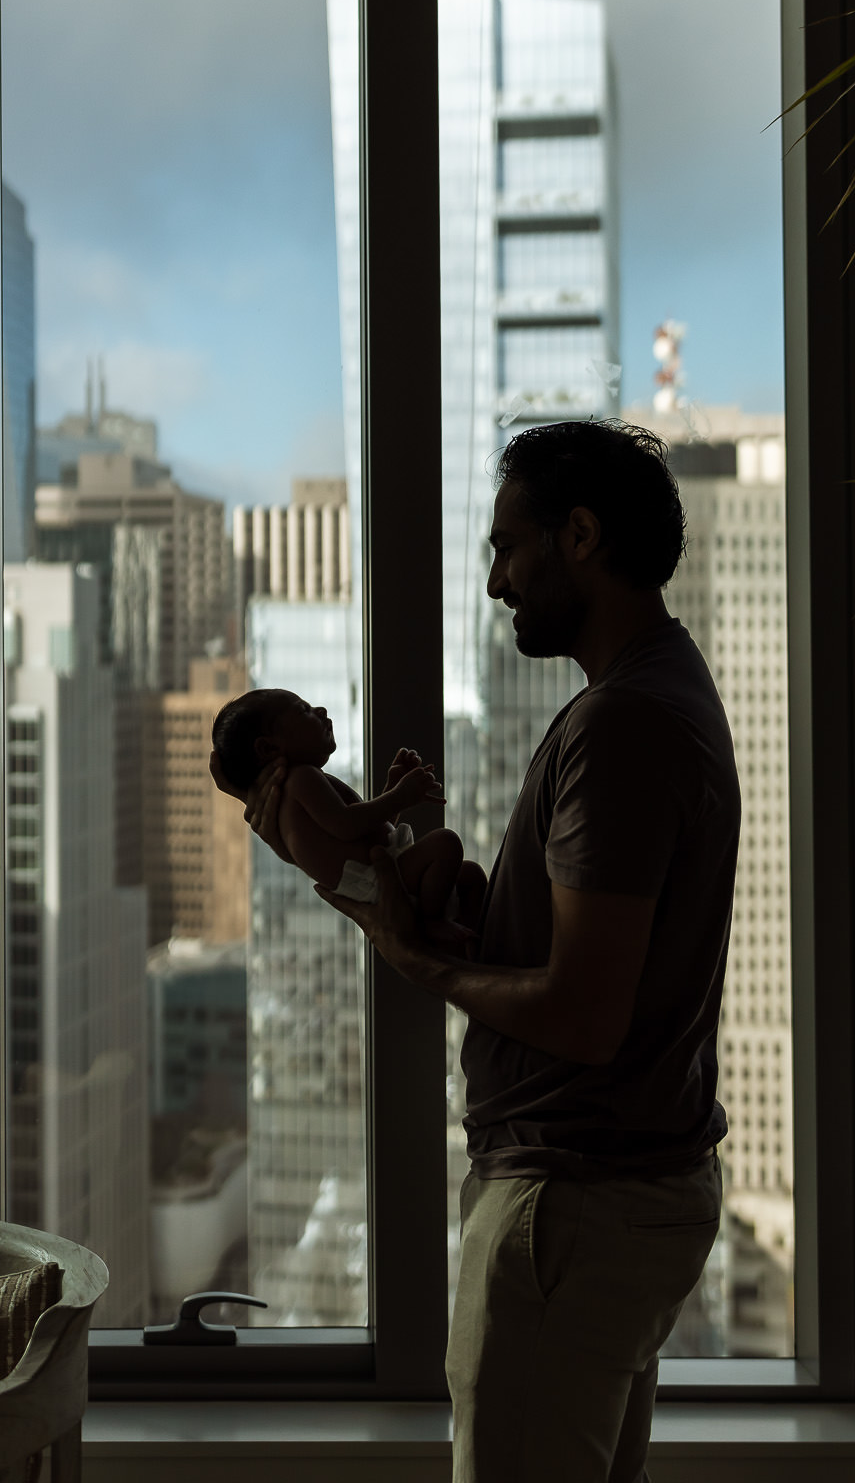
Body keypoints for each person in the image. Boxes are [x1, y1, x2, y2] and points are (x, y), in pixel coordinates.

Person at [239, 420, 741, 1483]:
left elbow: (584, 1011)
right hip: (614, 1194)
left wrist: (423, 964)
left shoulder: (621, 725)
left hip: (573, 1207)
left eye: (508, 546)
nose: (495, 581)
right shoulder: (660, 690)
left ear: (581, 535)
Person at [211, 688, 470, 942]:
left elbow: (367, 836)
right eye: (304, 710)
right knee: (446, 843)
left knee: (470, 877)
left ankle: (450, 928)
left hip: (378, 875)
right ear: (268, 748)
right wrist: (399, 796)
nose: (320, 710)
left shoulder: (300, 787)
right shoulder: (301, 778)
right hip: (377, 880)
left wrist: (392, 789)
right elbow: (347, 825)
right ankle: (432, 923)